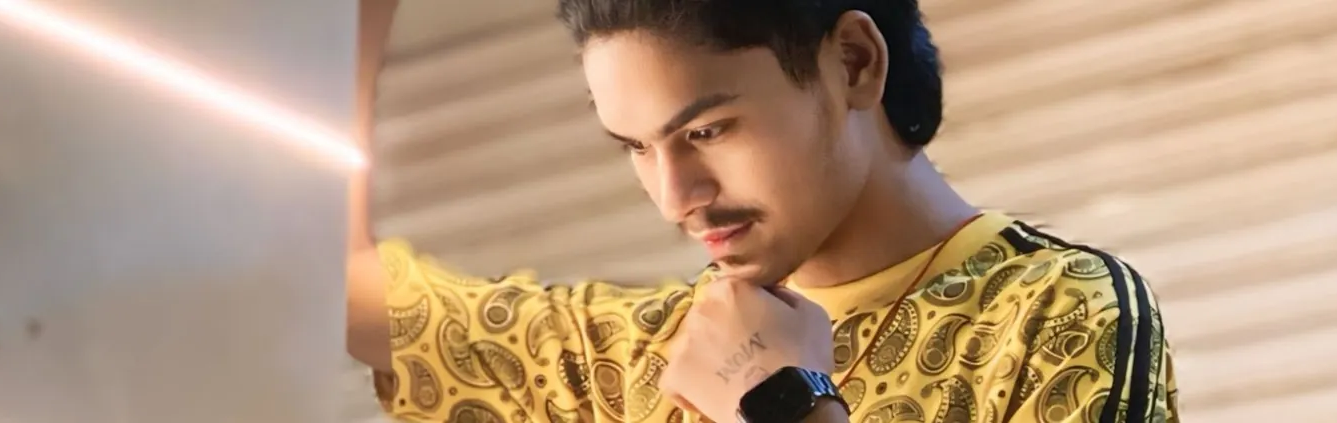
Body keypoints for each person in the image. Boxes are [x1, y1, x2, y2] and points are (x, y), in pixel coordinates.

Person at [346, 0, 1177, 421]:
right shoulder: (628, 352)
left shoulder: (1054, 314)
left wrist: (783, 400)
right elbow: (324, 286)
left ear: (853, 62)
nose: (675, 197)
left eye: (706, 130)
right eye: (635, 147)